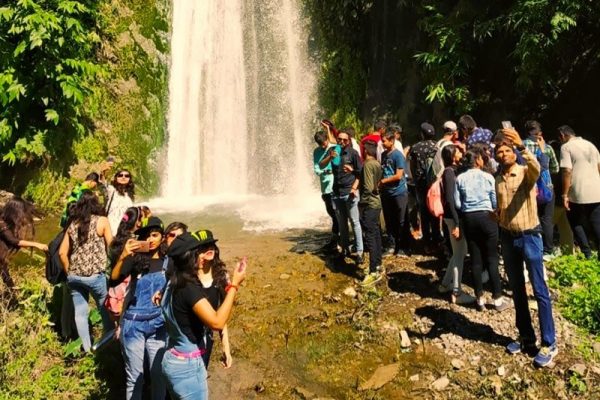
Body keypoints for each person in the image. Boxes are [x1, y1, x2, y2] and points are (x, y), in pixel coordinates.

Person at [494, 128, 558, 368]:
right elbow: (503, 206)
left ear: (514, 152)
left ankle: (549, 343)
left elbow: (537, 169)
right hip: (508, 238)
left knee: (540, 290)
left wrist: (522, 146)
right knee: (518, 291)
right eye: (499, 151)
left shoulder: (524, 172)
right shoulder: (498, 178)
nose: (503, 154)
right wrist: (497, 216)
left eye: (507, 150)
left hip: (530, 236)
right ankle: (526, 338)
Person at [161, 230, 246, 400]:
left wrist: (226, 348)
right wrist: (235, 285)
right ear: (187, 258)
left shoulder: (173, 282)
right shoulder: (189, 289)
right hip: (188, 366)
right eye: (196, 253)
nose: (201, 257)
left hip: (172, 357)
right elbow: (217, 322)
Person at [110, 216, 169, 400]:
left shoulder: (170, 262)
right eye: (147, 236)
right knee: (136, 378)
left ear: (162, 237)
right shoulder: (135, 261)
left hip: (159, 327)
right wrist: (124, 256)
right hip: (134, 325)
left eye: (155, 235)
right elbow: (114, 279)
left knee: (158, 376)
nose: (151, 240)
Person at [58, 190, 113, 352]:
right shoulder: (102, 221)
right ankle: (106, 344)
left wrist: (69, 272)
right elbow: (111, 246)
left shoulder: (73, 224)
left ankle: (87, 348)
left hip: (74, 276)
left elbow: (62, 253)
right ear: (96, 204)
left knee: (80, 313)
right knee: (105, 311)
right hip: (95, 276)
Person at [455, 150, 508, 312]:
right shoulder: (488, 177)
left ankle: (479, 298)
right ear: (477, 160)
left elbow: (458, 203)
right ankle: (498, 299)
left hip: (469, 218)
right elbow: (494, 200)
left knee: (475, 259)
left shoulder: (460, 178)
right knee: (492, 257)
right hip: (487, 217)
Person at [320, 129, 364, 263]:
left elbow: (360, 173)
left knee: (355, 222)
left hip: (349, 192)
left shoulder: (353, 153)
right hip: (336, 193)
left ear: (349, 140)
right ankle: (345, 250)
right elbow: (321, 165)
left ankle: (359, 252)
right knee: (342, 224)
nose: (342, 142)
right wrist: (330, 157)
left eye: (345, 140)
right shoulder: (333, 150)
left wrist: (354, 188)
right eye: (339, 139)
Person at [437, 146, 473, 304]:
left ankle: (445, 284)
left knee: (459, 251)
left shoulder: (451, 171)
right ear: (452, 156)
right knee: (460, 254)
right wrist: (458, 223)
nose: (461, 154)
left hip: (452, 217)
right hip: (453, 218)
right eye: (458, 152)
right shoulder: (449, 173)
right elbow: (451, 199)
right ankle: (457, 293)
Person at [558, 125, 600, 260]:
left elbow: (567, 171)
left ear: (563, 135)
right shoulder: (590, 145)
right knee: (596, 222)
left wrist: (564, 194)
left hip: (577, 190)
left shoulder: (566, 147)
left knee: (575, 221)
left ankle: (587, 253)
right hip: (596, 189)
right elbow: (598, 167)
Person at [523, 121, 560, 260]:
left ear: (526, 132)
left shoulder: (521, 145)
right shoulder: (547, 148)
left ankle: (532, 248)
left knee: (530, 217)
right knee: (547, 219)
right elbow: (555, 169)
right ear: (540, 133)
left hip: (528, 187)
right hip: (546, 187)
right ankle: (548, 251)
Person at [0, 197, 48, 290]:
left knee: (7, 280)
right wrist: (37, 245)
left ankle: (11, 293)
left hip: (2, 263)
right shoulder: (1, 223)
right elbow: (13, 241)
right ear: (15, 212)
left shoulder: (5, 220)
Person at [409, 122, 441, 250]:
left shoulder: (415, 147)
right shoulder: (436, 146)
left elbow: (412, 166)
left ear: (422, 134)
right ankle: (437, 237)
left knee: (424, 211)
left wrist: (415, 180)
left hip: (421, 184)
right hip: (434, 184)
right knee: (435, 210)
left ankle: (426, 239)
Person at [380, 129, 410, 257]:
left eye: (384, 141)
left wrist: (383, 181)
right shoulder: (383, 155)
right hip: (386, 193)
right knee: (389, 220)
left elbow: (398, 175)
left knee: (401, 220)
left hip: (398, 192)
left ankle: (403, 246)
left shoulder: (398, 155)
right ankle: (391, 245)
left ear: (392, 141)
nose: (382, 143)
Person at [359, 140, 383, 286]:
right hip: (377, 203)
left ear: (366, 151)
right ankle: (378, 264)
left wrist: (361, 203)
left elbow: (368, 187)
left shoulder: (368, 165)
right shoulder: (376, 164)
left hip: (369, 204)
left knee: (370, 237)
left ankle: (373, 271)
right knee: (376, 234)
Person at [313, 131, 340, 249]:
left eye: (324, 143)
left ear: (327, 139)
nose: (323, 146)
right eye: (321, 145)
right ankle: (336, 237)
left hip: (336, 185)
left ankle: (337, 238)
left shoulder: (334, 148)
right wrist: (325, 171)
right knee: (331, 212)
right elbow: (317, 169)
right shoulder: (317, 152)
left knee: (336, 213)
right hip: (325, 187)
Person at [106, 169, 135, 236]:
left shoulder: (130, 195)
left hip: (124, 230)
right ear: (116, 178)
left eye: (127, 176)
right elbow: (102, 180)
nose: (123, 177)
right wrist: (106, 169)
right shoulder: (111, 190)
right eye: (120, 175)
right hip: (111, 229)